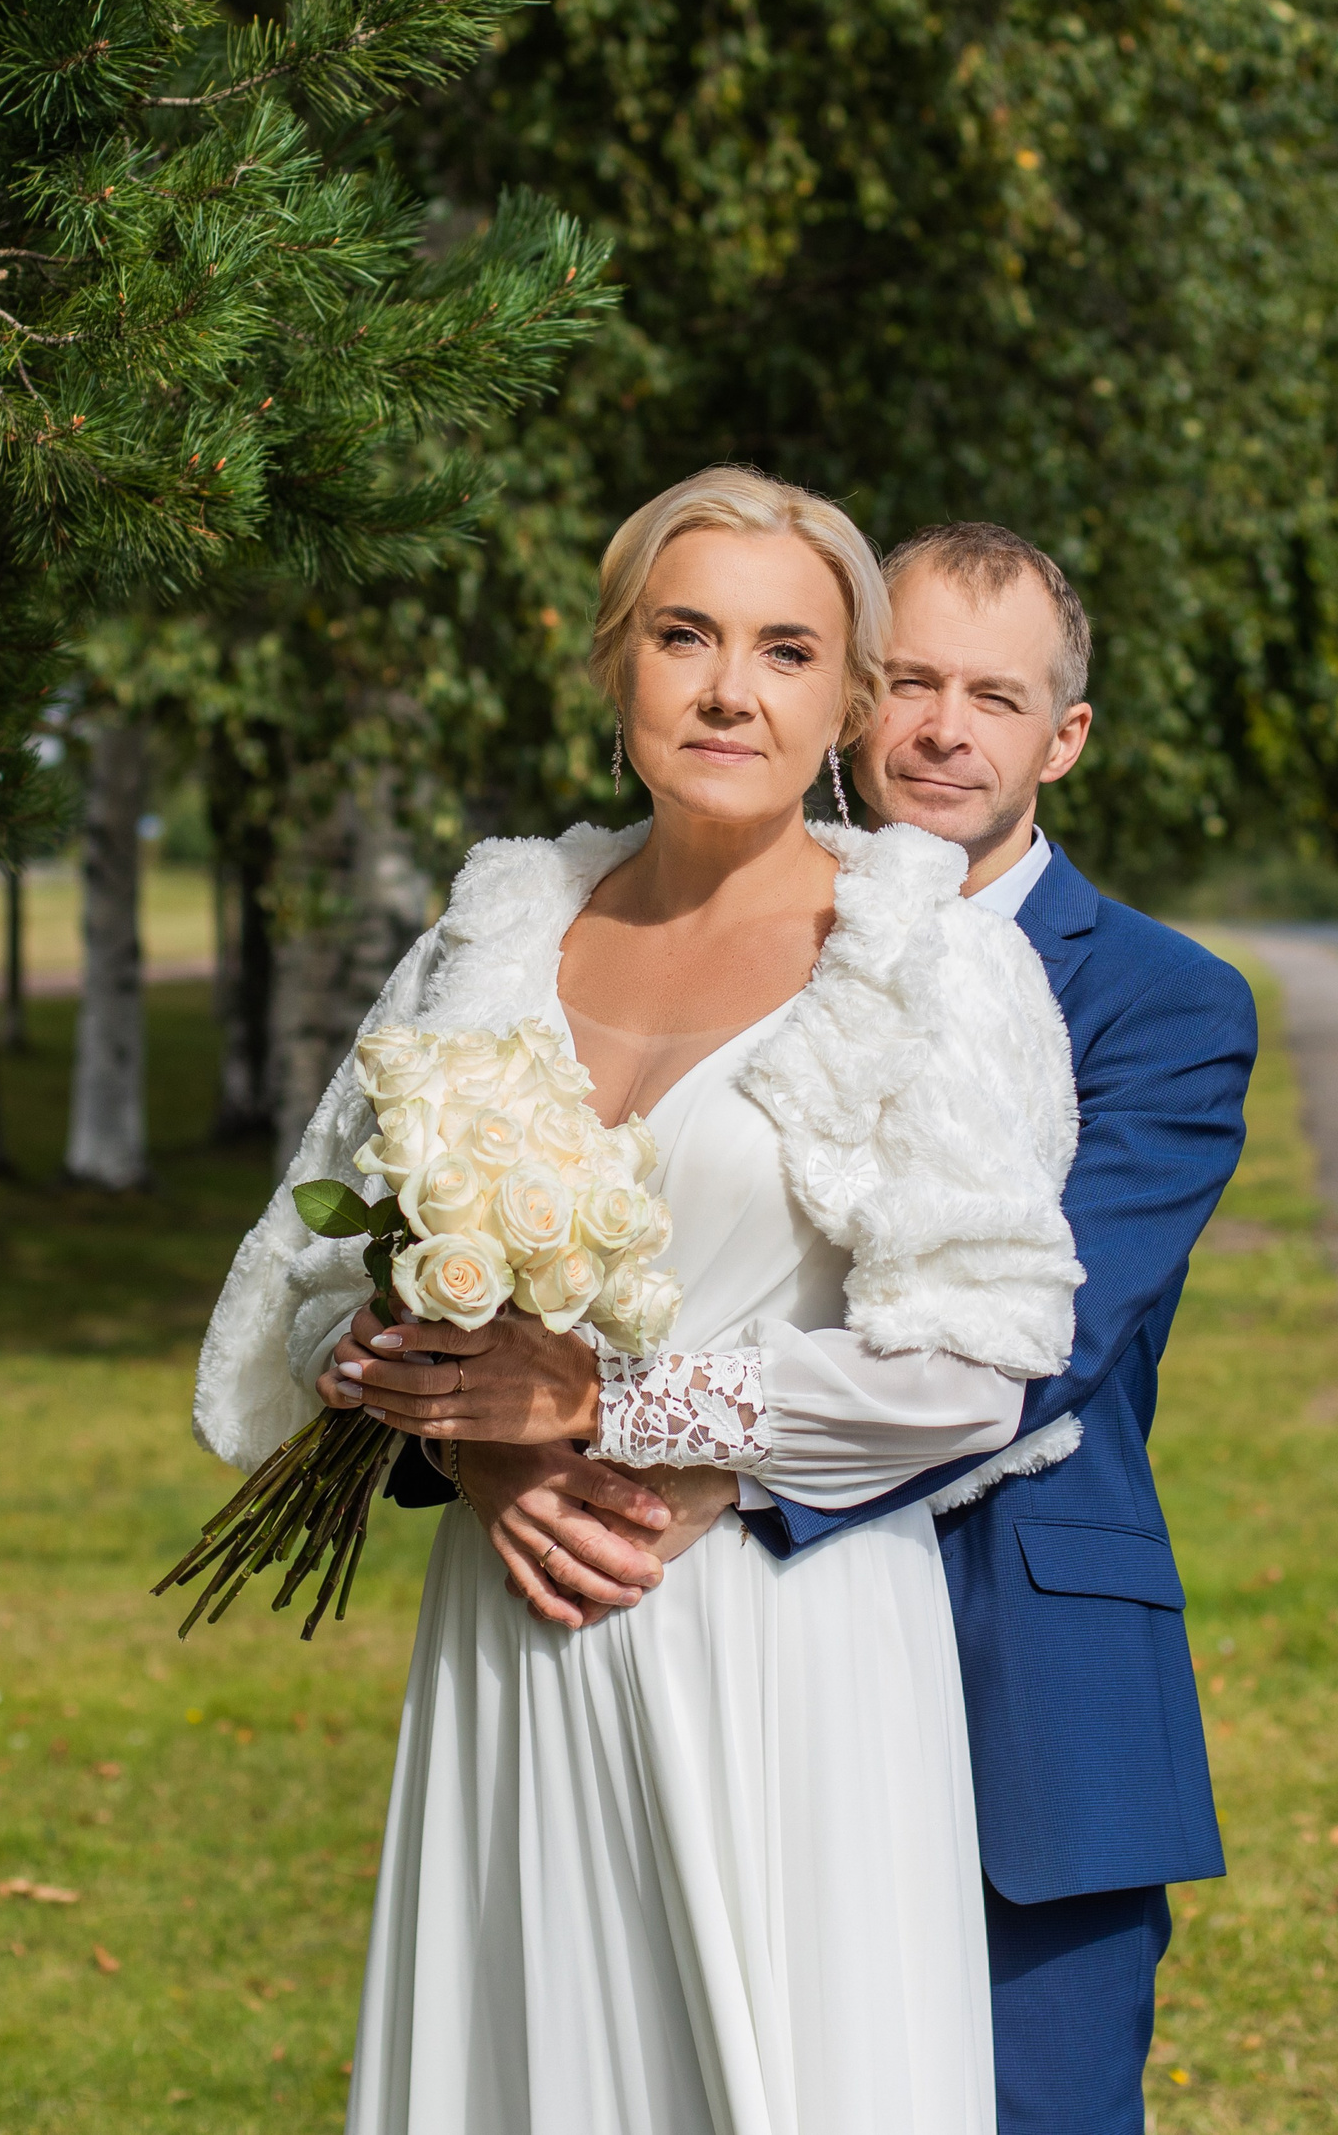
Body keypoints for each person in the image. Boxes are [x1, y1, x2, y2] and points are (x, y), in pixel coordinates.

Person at [194, 467, 1086, 2134]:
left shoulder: (933, 959)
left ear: (845, 699)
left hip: (789, 1646)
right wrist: (473, 1446)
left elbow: (977, 1369)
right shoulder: (494, 937)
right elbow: (319, 1287)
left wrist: (609, 1404)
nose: (728, 688)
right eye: (684, 634)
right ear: (618, 665)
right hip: (517, 1619)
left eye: (786, 649)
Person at [378, 522, 1252, 2135]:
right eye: (909, 678)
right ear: (854, 700)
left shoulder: (1164, 1000)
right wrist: (497, 1451)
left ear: (1062, 738)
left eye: (994, 696)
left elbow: (1044, 1335)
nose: (941, 727)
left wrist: (660, 1445)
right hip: (665, 1636)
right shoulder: (677, 932)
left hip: (1021, 1674)